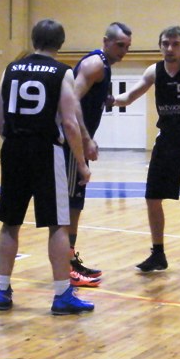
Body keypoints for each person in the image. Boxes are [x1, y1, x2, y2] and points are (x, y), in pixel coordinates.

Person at [0, 19, 95, 316]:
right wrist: (81, 163)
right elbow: (69, 123)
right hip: (45, 151)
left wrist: (16, 141)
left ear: (33, 39)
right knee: (57, 224)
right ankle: (62, 294)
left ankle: (2, 289)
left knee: (10, 222)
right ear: (60, 43)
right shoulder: (62, 72)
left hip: (13, 148)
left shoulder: (11, 69)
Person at [110, 25, 180, 282]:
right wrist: (108, 99)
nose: (170, 48)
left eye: (175, 44)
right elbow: (129, 97)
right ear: (160, 46)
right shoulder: (154, 71)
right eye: (165, 44)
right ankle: (158, 253)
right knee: (152, 198)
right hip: (166, 142)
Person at [66, 22, 132, 287]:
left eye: (127, 47)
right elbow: (70, 100)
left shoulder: (103, 68)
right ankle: (66, 265)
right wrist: (85, 138)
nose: (124, 51)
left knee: (76, 204)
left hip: (76, 144)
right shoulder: (95, 65)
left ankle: (70, 259)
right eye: (120, 45)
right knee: (70, 205)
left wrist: (107, 98)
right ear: (106, 41)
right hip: (69, 143)